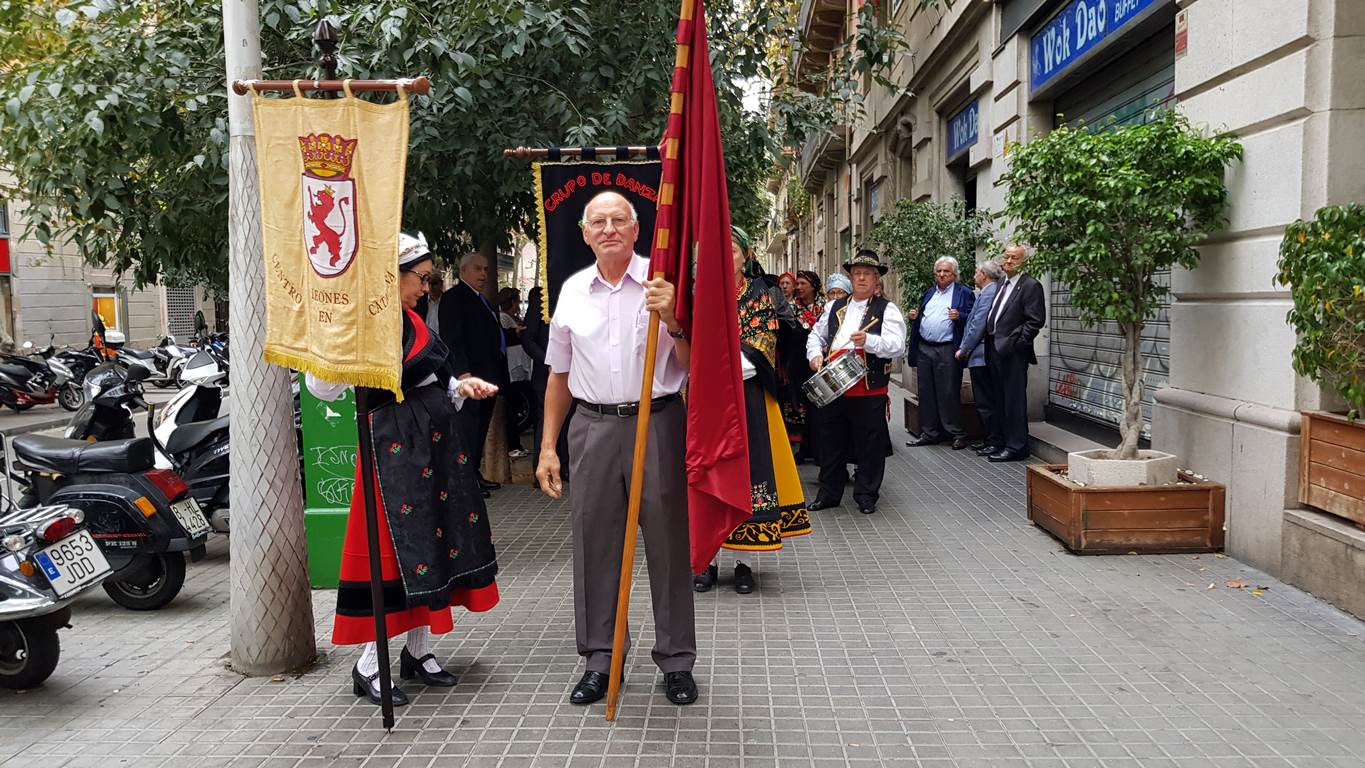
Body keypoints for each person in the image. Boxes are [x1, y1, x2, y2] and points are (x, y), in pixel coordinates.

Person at [307, 232, 501, 708]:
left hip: (433, 444)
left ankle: (417, 652)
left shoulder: (412, 319)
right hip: (390, 450)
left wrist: (461, 386)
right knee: (396, 551)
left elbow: (435, 376)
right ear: (390, 276)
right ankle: (369, 663)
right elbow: (320, 387)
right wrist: (341, 347)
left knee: (434, 542)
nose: (425, 287)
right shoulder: (360, 324)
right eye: (421, 278)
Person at [535, 190, 699, 706]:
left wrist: (674, 319)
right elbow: (558, 375)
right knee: (595, 542)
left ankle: (676, 662)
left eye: (618, 220)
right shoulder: (572, 292)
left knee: (669, 546)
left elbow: (694, 363)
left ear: (635, 229)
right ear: (585, 233)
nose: (608, 229)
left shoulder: (662, 285)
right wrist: (547, 447)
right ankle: (601, 659)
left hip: (658, 423)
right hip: (593, 427)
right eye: (598, 222)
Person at [694, 228, 810, 595]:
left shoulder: (761, 293)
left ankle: (744, 561)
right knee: (708, 475)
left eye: (731, 250)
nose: (724, 257)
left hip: (745, 396)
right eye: (715, 250)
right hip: (703, 401)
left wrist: (716, 360)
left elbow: (761, 345)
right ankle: (706, 560)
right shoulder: (695, 292)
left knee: (748, 475)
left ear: (746, 255)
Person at [805, 250, 907, 515]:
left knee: (869, 444)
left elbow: (897, 347)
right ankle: (828, 493)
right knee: (830, 443)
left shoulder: (888, 309)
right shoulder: (834, 307)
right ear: (851, 278)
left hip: (867, 388)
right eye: (857, 274)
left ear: (876, 281)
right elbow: (815, 336)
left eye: (867, 274)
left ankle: (866, 495)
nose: (861, 278)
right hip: (833, 387)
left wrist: (869, 342)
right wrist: (815, 355)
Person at [439, 252, 507, 495]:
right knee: (468, 429)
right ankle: (465, 479)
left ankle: (474, 472)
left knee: (479, 428)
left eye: (486, 269)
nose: (483, 275)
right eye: (478, 269)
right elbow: (454, 339)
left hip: (487, 374)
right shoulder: (455, 298)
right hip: (470, 378)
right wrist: (463, 374)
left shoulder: (481, 299)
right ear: (463, 271)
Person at [906, 256, 976, 450]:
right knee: (925, 391)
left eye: (947, 271)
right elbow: (923, 315)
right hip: (925, 348)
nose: (942, 274)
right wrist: (914, 316)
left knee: (948, 391)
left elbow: (976, 318)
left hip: (947, 348)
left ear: (954, 274)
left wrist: (960, 316)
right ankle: (929, 433)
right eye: (939, 271)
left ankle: (955, 433)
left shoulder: (964, 293)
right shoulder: (929, 293)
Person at [984, 244, 1046, 462]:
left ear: (1024, 262)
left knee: (1013, 400)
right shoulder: (1002, 282)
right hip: (994, 348)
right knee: (999, 398)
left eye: (1014, 258)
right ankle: (1000, 441)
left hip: (1013, 352)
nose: (1008, 261)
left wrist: (1018, 344)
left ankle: (1017, 446)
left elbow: (1035, 320)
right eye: (1006, 257)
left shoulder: (1031, 286)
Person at [521, 285, 571, 479]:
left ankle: (566, 467)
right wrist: (549, 360)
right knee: (546, 421)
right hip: (547, 373)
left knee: (571, 420)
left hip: (572, 373)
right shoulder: (541, 299)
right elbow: (528, 339)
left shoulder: (575, 294)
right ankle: (542, 471)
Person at [956, 261, 1005, 454]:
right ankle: (989, 439)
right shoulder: (988, 291)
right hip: (980, 355)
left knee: (986, 401)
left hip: (981, 356)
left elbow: (978, 323)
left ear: (984, 274)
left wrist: (964, 348)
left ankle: (994, 440)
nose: (974, 275)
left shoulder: (989, 292)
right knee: (984, 400)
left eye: (976, 271)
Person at [785, 270, 825, 463]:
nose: (798, 288)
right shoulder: (791, 308)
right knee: (801, 404)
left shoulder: (825, 307)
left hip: (818, 362)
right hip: (797, 362)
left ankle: (819, 449)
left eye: (803, 284)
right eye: (797, 284)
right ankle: (805, 446)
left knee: (819, 405)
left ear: (814, 286)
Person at [497, 287, 532, 459]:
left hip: (518, 366)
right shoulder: (503, 319)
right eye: (517, 300)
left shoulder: (511, 318)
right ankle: (513, 445)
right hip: (511, 367)